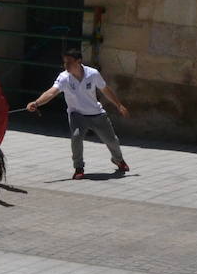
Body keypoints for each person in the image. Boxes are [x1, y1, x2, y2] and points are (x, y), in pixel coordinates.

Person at [27, 47, 131, 179]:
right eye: (64, 62)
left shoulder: (92, 74)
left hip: (97, 114)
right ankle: (79, 168)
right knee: (76, 138)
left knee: (112, 140)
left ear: (79, 61)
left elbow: (105, 90)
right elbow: (51, 92)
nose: (66, 65)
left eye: (69, 62)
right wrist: (36, 103)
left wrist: (119, 105)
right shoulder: (64, 77)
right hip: (77, 115)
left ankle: (118, 160)